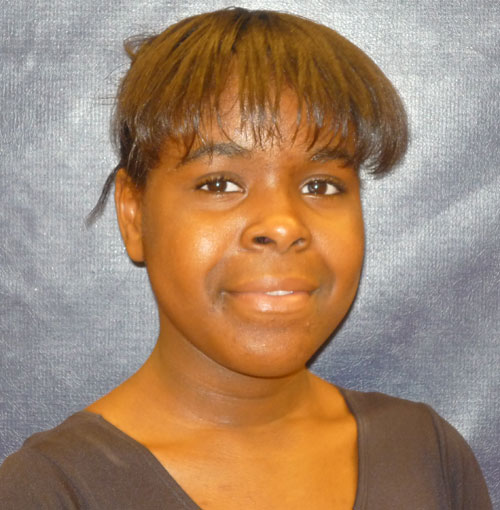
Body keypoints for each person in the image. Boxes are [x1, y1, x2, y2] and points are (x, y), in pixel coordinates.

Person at [0, 7, 492, 509]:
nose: (282, 225)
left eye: (321, 186)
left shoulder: (427, 455)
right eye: (219, 184)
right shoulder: (52, 492)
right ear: (134, 216)